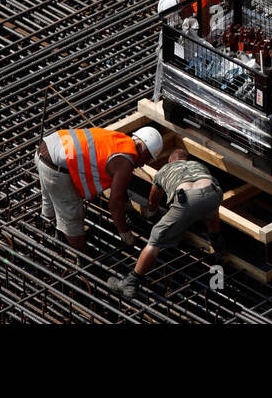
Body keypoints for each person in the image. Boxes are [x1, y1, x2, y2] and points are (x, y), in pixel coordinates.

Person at [109, 148, 226, 297]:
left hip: (187, 200)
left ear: (170, 160)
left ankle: (131, 281)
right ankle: (218, 244)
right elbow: (209, 194)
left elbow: (153, 201)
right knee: (210, 209)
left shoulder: (164, 170)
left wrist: (152, 216)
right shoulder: (198, 165)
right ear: (186, 159)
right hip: (213, 192)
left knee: (155, 239)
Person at [35, 125, 163, 253]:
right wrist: (124, 232)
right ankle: (81, 258)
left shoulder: (120, 140)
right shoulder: (125, 163)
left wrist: (127, 205)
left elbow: (118, 183)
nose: (145, 163)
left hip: (46, 147)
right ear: (140, 147)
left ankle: (46, 227)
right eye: (147, 157)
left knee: (50, 199)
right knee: (72, 217)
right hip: (56, 168)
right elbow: (114, 204)